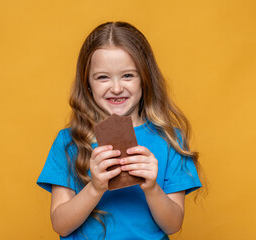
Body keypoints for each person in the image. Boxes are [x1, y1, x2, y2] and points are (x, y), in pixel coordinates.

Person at [37, 21, 203, 240]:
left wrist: (152, 188)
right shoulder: (69, 141)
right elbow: (60, 225)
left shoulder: (170, 140)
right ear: (87, 83)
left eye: (128, 75)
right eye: (103, 77)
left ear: (145, 79)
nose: (116, 88)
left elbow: (173, 225)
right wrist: (95, 188)